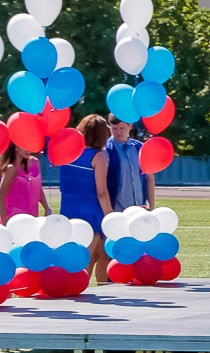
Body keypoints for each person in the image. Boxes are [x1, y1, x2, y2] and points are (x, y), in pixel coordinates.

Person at [57, 115, 113, 284]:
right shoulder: (98, 157)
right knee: (85, 260)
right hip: (91, 211)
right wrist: (111, 216)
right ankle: (80, 289)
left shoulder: (66, 152)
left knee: (74, 255)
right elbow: (101, 192)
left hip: (68, 209)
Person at [105, 118, 153, 214]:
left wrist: (151, 205)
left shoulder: (140, 148)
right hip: (116, 209)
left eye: (122, 128)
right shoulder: (105, 149)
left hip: (140, 207)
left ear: (130, 126)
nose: (118, 132)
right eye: (114, 128)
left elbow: (149, 177)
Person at [1, 141, 50, 222]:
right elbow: (1, 197)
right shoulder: (11, 168)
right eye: (25, 145)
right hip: (14, 219)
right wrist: (4, 223)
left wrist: (46, 208)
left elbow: (38, 188)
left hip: (33, 216)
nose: (29, 149)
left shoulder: (35, 162)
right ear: (16, 147)